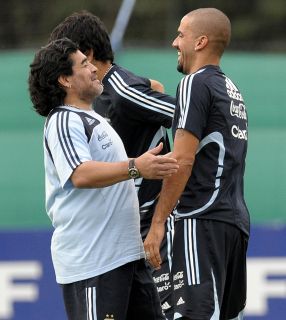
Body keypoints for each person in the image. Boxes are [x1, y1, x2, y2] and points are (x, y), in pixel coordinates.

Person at [28, 38, 179, 320]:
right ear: (65, 80)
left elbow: (155, 86)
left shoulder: (95, 119)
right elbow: (80, 174)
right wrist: (137, 166)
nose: (94, 69)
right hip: (95, 263)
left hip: (127, 258)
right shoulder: (63, 119)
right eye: (84, 64)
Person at [144, 8, 250, 320]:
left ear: (200, 42)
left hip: (198, 218)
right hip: (234, 223)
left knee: (194, 315)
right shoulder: (232, 91)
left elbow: (182, 159)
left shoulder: (193, 84)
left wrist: (158, 222)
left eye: (180, 34)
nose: (174, 42)